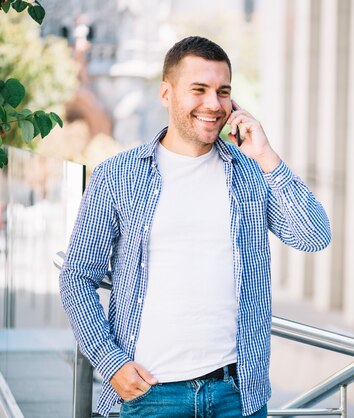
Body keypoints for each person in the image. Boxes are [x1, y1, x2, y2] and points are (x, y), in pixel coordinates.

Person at [59, 36, 331, 418]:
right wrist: (110, 362)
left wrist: (267, 157)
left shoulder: (251, 172)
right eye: (198, 89)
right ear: (166, 93)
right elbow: (77, 276)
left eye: (223, 92)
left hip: (236, 395)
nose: (213, 104)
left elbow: (314, 235)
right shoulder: (117, 176)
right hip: (148, 394)